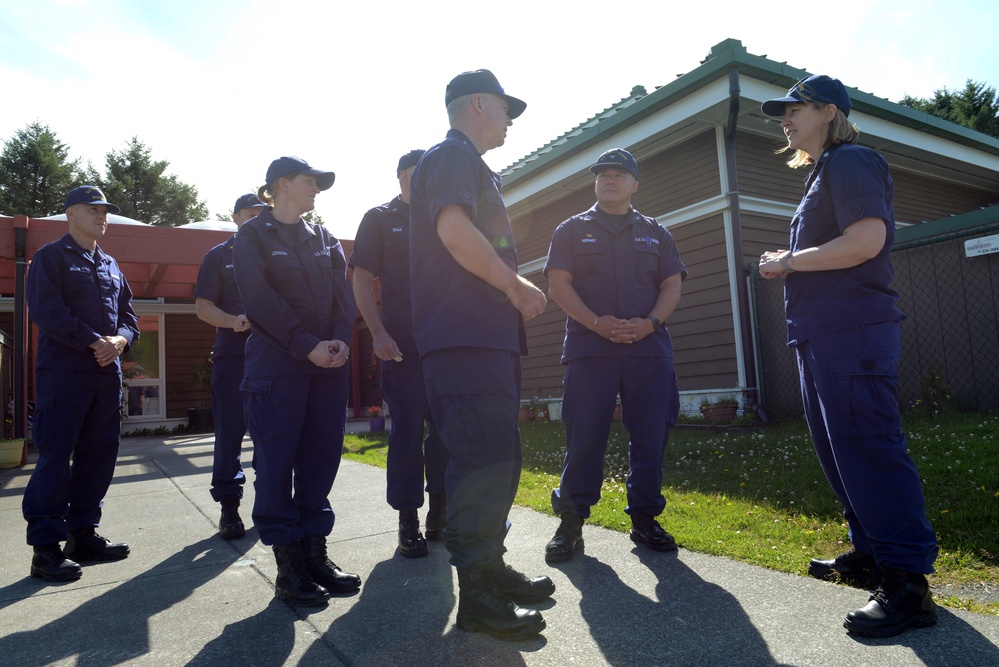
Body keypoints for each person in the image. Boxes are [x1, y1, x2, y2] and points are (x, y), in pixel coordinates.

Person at [758, 75, 938, 638]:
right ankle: (871, 555)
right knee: (840, 454)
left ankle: (908, 584)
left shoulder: (851, 160)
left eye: (795, 109)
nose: (784, 119)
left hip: (852, 332)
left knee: (870, 450)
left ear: (828, 112)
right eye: (782, 112)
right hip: (822, 334)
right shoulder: (822, 172)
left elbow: (865, 242)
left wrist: (787, 261)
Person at [409, 69, 553, 641]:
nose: (511, 119)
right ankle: (477, 598)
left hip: (480, 337)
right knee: (479, 461)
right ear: (475, 105)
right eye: (504, 108)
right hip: (465, 337)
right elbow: (453, 230)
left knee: (497, 456)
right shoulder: (450, 157)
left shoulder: (469, 162)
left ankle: (489, 568)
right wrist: (514, 286)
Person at [543, 148, 686, 563]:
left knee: (650, 434)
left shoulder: (657, 232)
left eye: (619, 174)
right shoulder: (570, 230)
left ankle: (644, 518)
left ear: (634, 184)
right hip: (591, 349)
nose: (610, 179)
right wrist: (595, 323)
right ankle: (571, 522)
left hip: (649, 349)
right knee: (584, 434)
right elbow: (559, 285)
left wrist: (650, 324)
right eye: (603, 174)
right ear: (595, 183)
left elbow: (672, 286)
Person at [233, 156, 361, 606]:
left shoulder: (323, 237)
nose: (316, 190)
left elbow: (344, 297)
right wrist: (305, 343)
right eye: (310, 182)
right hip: (278, 369)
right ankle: (289, 566)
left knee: (320, 460)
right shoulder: (252, 235)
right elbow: (260, 299)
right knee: (275, 463)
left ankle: (315, 555)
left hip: (325, 368)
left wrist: (340, 342)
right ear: (282, 185)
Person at [23, 185, 140, 582]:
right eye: (94, 209)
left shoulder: (110, 264)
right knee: (56, 457)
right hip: (64, 374)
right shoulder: (50, 257)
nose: (102, 216)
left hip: (106, 374)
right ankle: (45, 549)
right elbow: (46, 310)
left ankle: (83, 536)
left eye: (105, 211)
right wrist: (94, 341)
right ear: (71, 213)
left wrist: (121, 339)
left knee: (99, 454)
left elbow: (129, 315)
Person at [349, 149, 450, 559]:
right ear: (401, 177)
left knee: (446, 432)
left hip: (445, 343)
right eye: (415, 173)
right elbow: (360, 279)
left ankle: (441, 513)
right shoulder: (379, 219)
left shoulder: (444, 216)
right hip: (401, 348)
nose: (421, 180)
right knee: (408, 434)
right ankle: (408, 518)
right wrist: (377, 333)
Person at [194, 193, 266, 539]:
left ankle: (270, 506)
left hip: (274, 360)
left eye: (262, 214)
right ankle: (229, 509)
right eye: (251, 214)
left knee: (273, 436)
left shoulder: (276, 253)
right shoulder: (218, 256)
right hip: (234, 359)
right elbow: (203, 307)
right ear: (236, 217)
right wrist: (231, 320)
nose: (258, 219)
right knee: (230, 435)